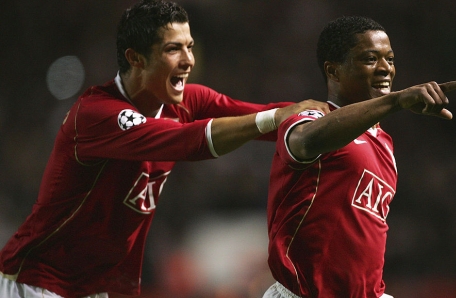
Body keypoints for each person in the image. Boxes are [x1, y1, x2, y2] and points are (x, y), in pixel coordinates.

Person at [0, 1, 330, 297]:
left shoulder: (189, 101)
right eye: (174, 50)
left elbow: (263, 117)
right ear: (136, 58)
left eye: (190, 47)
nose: (188, 61)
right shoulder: (97, 115)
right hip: (37, 283)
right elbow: (190, 141)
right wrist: (278, 117)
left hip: (93, 288)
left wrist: (337, 118)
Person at [263, 16, 456, 298]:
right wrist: (395, 101)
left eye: (390, 59)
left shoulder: (383, 142)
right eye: (371, 59)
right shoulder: (311, 117)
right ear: (333, 71)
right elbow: (306, 140)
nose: (385, 68)